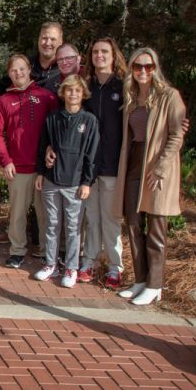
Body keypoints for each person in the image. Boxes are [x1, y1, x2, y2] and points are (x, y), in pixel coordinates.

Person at [113, 47, 186, 305]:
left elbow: (177, 134)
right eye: (137, 66)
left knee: (156, 228)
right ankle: (141, 280)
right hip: (133, 161)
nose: (143, 71)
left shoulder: (169, 96)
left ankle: (155, 285)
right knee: (133, 223)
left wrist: (162, 166)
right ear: (131, 69)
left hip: (156, 165)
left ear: (155, 68)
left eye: (148, 66)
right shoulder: (131, 98)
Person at [0, 21, 63, 245]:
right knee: (18, 212)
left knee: (45, 214)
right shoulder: (5, 99)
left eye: (22, 69)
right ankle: (17, 249)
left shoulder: (49, 92)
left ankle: (46, 251)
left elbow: (56, 126)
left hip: (44, 165)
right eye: (14, 70)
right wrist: (5, 160)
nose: (18, 73)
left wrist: (53, 151)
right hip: (18, 165)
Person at [33, 75, 99, 288]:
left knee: (73, 227)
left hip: (75, 184)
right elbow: (44, 147)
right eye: (69, 90)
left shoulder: (89, 120)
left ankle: (71, 267)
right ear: (63, 93)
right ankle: (50, 264)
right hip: (52, 182)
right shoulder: (53, 118)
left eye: (77, 91)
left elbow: (92, 154)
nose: (73, 94)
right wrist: (41, 173)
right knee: (51, 224)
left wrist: (87, 182)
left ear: (83, 94)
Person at [78, 37, 128, 287]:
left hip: (112, 165)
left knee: (110, 219)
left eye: (104, 52)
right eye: (95, 51)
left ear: (113, 55)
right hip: (88, 166)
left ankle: (114, 267)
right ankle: (89, 262)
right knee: (91, 218)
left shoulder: (122, 86)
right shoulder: (86, 88)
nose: (99, 55)